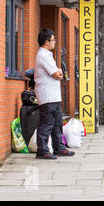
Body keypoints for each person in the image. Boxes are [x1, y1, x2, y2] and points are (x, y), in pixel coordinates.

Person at [34, 29, 75, 159]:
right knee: (47, 124)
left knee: (57, 123)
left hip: (53, 96)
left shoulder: (47, 55)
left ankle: (58, 147)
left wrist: (58, 73)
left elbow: (59, 74)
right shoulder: (43, 55)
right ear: (46, 42)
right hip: (47, 96)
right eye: (53, 40)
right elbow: (57, 74)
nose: (55, 42)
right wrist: (58, 72)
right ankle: (42, 151)